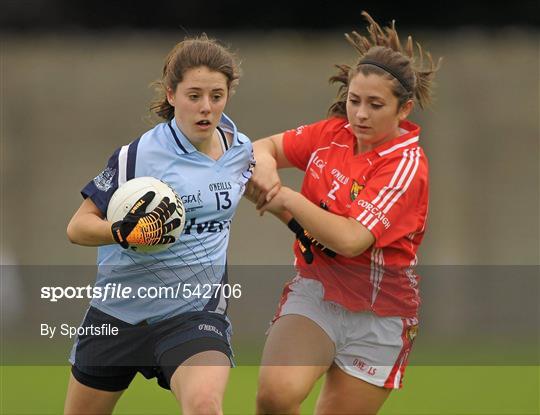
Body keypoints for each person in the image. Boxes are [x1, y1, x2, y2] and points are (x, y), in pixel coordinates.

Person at [246, 12, 441, 414]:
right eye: (354, 101)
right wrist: (264, 170)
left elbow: (352, 240)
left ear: (403, 110)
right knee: (275, 394)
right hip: (317, 291)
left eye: (375, 105)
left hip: (380, 313)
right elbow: (263, 148)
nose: (360, 115)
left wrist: (284, 198)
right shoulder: (332, 135)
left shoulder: (407, 164)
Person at [64, 34, 254, 415]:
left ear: (228, 95)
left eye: (216, 96)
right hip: (118, 312)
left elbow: (253, 180)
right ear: (171, 94)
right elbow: (78, 227)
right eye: (194, 95)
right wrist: (124, 232)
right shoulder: (138, 156)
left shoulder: (240, 151)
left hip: (193, 314)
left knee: (204, 406)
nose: (206, 107)